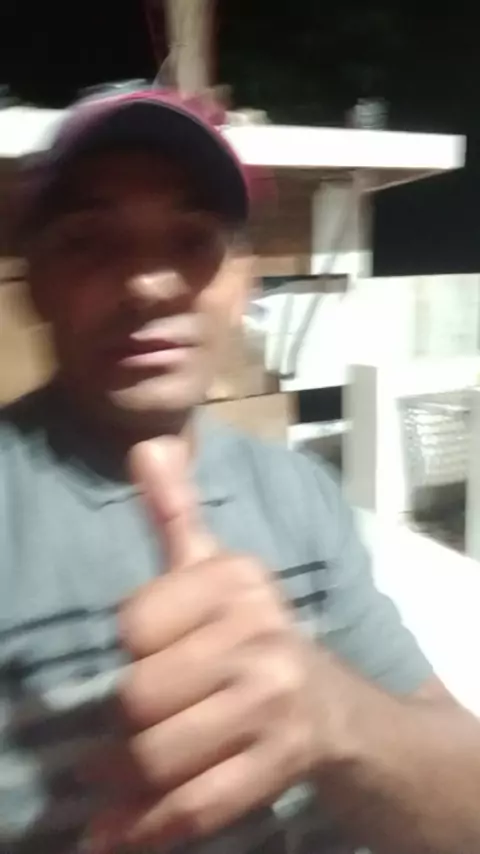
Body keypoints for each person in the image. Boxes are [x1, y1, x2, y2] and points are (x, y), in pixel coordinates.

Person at [1, 86, 480, 854]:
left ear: (241, 282)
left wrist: (332, 716)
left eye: (192, 239)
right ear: (37, 283)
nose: (150, 283)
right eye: (90, 241)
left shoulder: (300, 496)